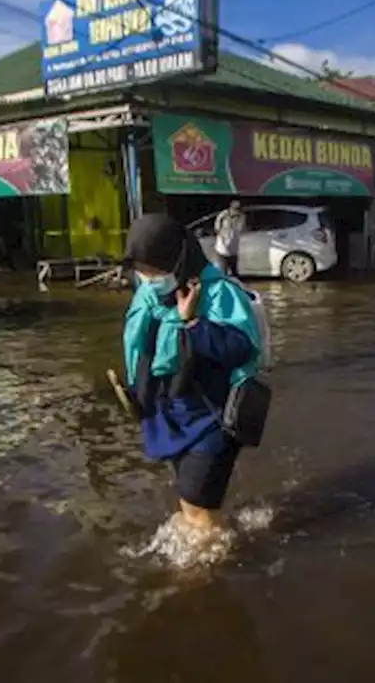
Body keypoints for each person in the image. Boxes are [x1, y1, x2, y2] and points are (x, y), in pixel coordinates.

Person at [122, 214, 263, 537]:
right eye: (142, 271)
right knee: (192, 507)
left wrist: (192, 323)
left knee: (199, 510)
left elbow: (240, 350)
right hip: (169, 419)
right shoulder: (147, 298)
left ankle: (207, 578)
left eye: (156, 271)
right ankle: (215, 555)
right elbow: (140, 353)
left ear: (180, 259)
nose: (149, 279)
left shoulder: (219, 294)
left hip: (211, 420)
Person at [213, 200, 245, 277]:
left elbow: (241, 229)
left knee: (235, 273)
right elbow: (217, 229)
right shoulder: (223, 215)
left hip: (233, 249)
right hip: (222, 250)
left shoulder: (241, 217)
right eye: (235, 209)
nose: (236, 212)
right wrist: (223, 237)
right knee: (223, 273)